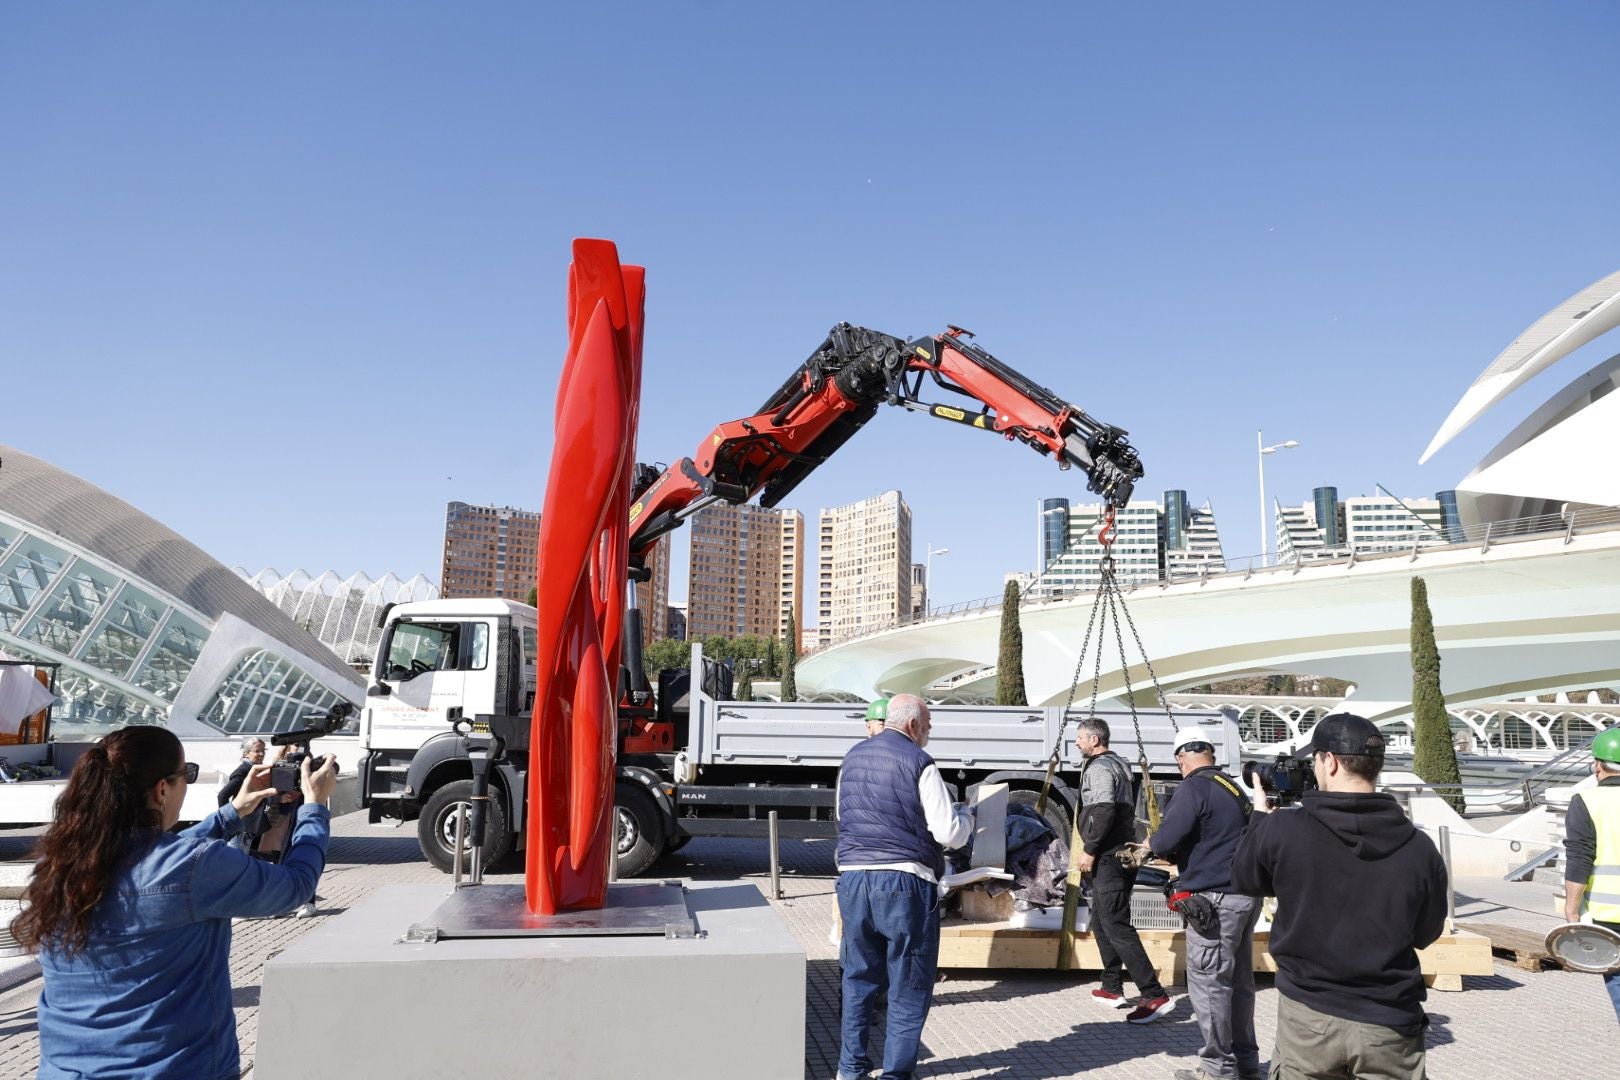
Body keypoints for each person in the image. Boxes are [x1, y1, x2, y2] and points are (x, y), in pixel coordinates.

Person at [13, 725, 339, 1079]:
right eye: (188, 774)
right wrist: (315, 806)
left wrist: (233, 812)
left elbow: (158, 861)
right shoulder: (194, 867)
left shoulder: (59, 865)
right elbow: (295, 885)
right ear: (162, 789)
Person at [1232, 713, 1449, 1080]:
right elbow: (1426, 933)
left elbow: (1245, 878)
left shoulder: (1284, 830)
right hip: (1390, 1020)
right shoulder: (1420, 848)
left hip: (1309, 1017)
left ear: (1329, 762)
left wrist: (1259, 815)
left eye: (1315, 760)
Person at [836, 693, 973, 1080]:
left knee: (859, 979)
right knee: (908, 984)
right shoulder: (920, 762)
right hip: (905, 883)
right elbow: (948, 832)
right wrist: (965, 817)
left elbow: (842, 816)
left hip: (853, 877)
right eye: (928, 726)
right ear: (912, 725)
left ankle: (850, 1070)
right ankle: (895, 1074)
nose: (929, 733)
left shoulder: (852, 757)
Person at [1145, 726, 1258, 1079]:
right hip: (1243, 897)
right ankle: (1246, 1065)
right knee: (1238, 985)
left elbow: (1166, 841)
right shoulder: (1232, 786)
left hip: (1213, 902)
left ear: (1182, 758)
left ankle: (1217, 1071)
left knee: (1209, 985)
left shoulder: (1193, 787)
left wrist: (1149, 845)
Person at [1072, 716, 1169, 1018]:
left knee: (1116, 924)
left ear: (1094, 740)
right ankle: (1112, 986)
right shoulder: (1118, 764)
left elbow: (1103, 810)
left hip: (1109, 857)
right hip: (1117, 854)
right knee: (1101, 919)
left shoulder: (1100, 768)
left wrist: (1089, 850)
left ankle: (1154, 994)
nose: (1076, 742)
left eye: (1080, 738)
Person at [1562, 726, 1620, 1020]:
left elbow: (1579, 859)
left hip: (1608, 916)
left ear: (1597, 765)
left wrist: (1571, 910)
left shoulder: (1586, 802)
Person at [216, 736, 265, 806]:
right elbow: (222, 796)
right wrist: (227, 816)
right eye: (257, 751)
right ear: (246, 754)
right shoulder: (243, 772)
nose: (262, 754)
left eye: (263, 750)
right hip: (244, 815)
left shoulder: (258, 769)